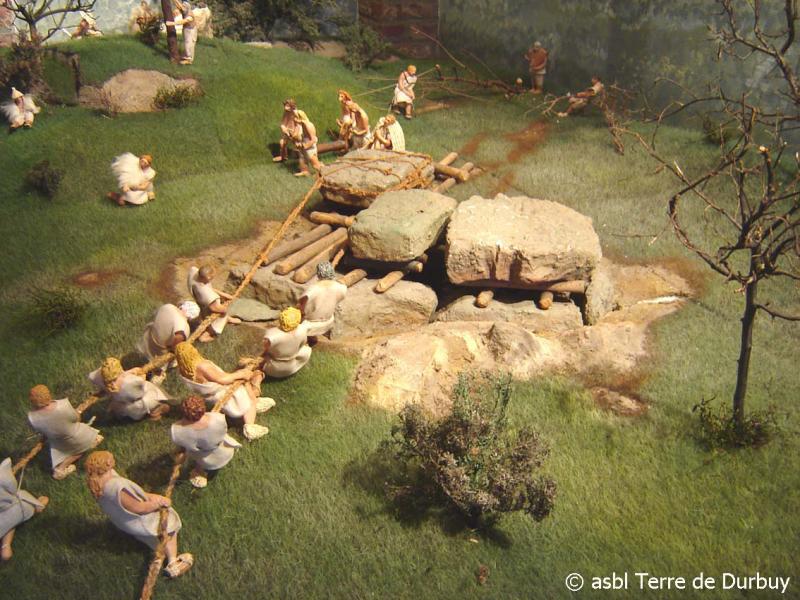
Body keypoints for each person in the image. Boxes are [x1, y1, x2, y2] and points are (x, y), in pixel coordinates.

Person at [86, 451, 193, 578]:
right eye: (111, 458)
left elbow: (137, 495)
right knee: (170, 526)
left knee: (151, 539)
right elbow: (139, 508)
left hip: (124, 521)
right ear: (108, 463)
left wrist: (152, 496)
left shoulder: (98, 482)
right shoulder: (116, 486)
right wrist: (159, 503)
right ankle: (173, 562)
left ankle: (159, 554)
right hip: (139, 520)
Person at [175, 342, 273, 441]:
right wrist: (240, 374)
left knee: (247, 391)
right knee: (247, 397)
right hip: (224, 391)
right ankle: (250, 425)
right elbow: (222, 379)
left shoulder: (185, 372)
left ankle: (255, 403)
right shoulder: (202, 366)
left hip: (212, 395)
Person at [27, 385, 103, 480]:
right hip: (77, 436)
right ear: (48, 395)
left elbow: (40, 430)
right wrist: (77, 412)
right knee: (78, 452)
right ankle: (60, 469)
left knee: (71, 449)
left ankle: (63, 463)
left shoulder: (32, 418)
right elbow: (77, 418)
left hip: (58, 443)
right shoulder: (63, 405)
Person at [171, 396, 240, 488]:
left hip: (205, 458)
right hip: (225, 449)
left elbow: (184, 444)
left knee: (199, 461)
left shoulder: (179, 432)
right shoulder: (218, 418)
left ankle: (199, 472)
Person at [88, 357, 170, 422]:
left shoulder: (105, 382)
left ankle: (121, 414)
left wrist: (131, 372)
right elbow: (140, 384)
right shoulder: (130, 382)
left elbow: (92, 376)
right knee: (150, 398)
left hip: (124, 403)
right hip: (140, 401)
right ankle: (156, 410)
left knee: (121, 408)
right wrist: (142, 374)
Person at [0, 457, 48, 562]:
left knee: (8, 519)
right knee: (16, 514)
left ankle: (5, 547)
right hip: (11, 508)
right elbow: (12, 488)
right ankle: (6, 545)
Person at [187, 265, 239, 342]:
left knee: (206, 314)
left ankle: (227, 318)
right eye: (212, 276)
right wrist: (224, 306)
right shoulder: (207, 295)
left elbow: (209, 288)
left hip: (203, 303)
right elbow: (216, 308)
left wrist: (224, 295)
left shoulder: (194, 273)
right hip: (209, 310)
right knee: (204, 336)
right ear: (207, 278)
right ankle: (212, 330)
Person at [297, 262, 347, 340]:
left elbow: (301, 305)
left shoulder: (313, 289)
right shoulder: (341, 287)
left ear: (319, 273)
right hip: (329, 319)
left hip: (310, 322)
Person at [261, 307, 311, 379]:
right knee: (306, 349)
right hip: (291, 366)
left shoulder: (271, 334)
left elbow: (265, 350)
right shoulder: (302, 330)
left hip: (273, 369)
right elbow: (302, 344)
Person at [290, 109, 323, 177]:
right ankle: (305, 171)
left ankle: (323, 172)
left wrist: (305, 146)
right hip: (305, 144)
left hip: (310, 147)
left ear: (300, 118)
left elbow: (314, 139)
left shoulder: (308, 125)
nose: (294, 119)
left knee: (314, 163)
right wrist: (299, 143)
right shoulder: (301, 125)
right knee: (303, 159)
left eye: (295, 117)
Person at [273, 98, 298, 163]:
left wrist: (295, 133)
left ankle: (303, 156)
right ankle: (284, 157)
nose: (285, 107)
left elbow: (299, 124)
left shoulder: (296, 113)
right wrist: (284, 128)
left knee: (298, 145)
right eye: (285, 105)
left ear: (292, 106)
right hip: (288, 131)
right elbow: (283, 123)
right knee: (282, 143)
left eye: (287, 106)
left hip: (295, 131)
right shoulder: (286, 113)